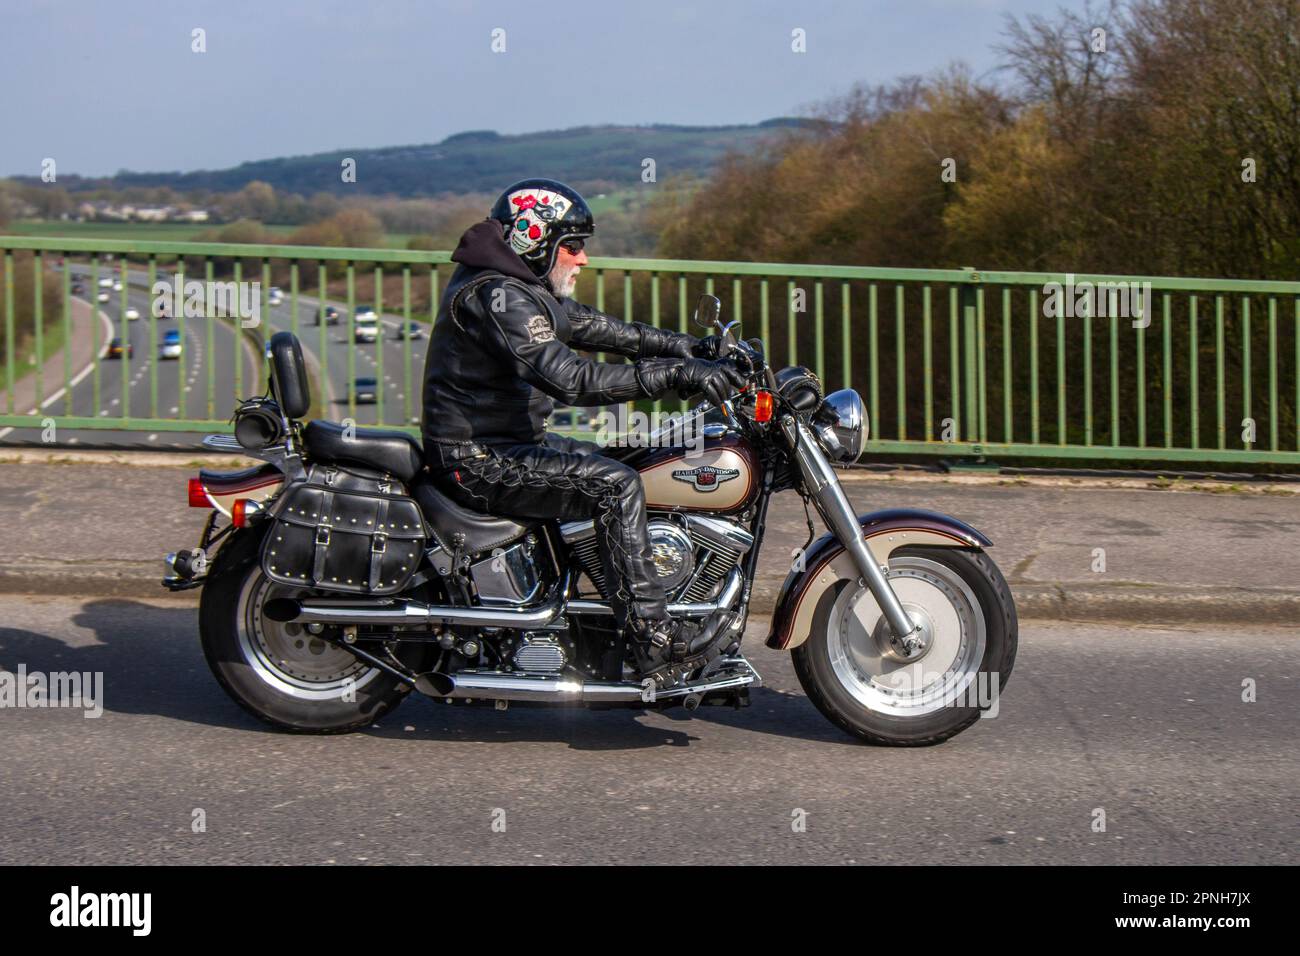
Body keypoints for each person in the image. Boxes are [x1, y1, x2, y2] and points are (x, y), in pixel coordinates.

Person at [421, 178, 747, 680]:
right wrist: (676, 376)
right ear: (536, 239)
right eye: (573, 246)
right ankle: (654, 638)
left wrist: (689, 349)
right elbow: (570, 379)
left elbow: (600, 327)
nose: (582, 259)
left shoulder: (518, 287)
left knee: (624, 460)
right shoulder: (496, 296)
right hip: (479, 459)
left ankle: (594, 610)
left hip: (507, 444)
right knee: (616, 486)